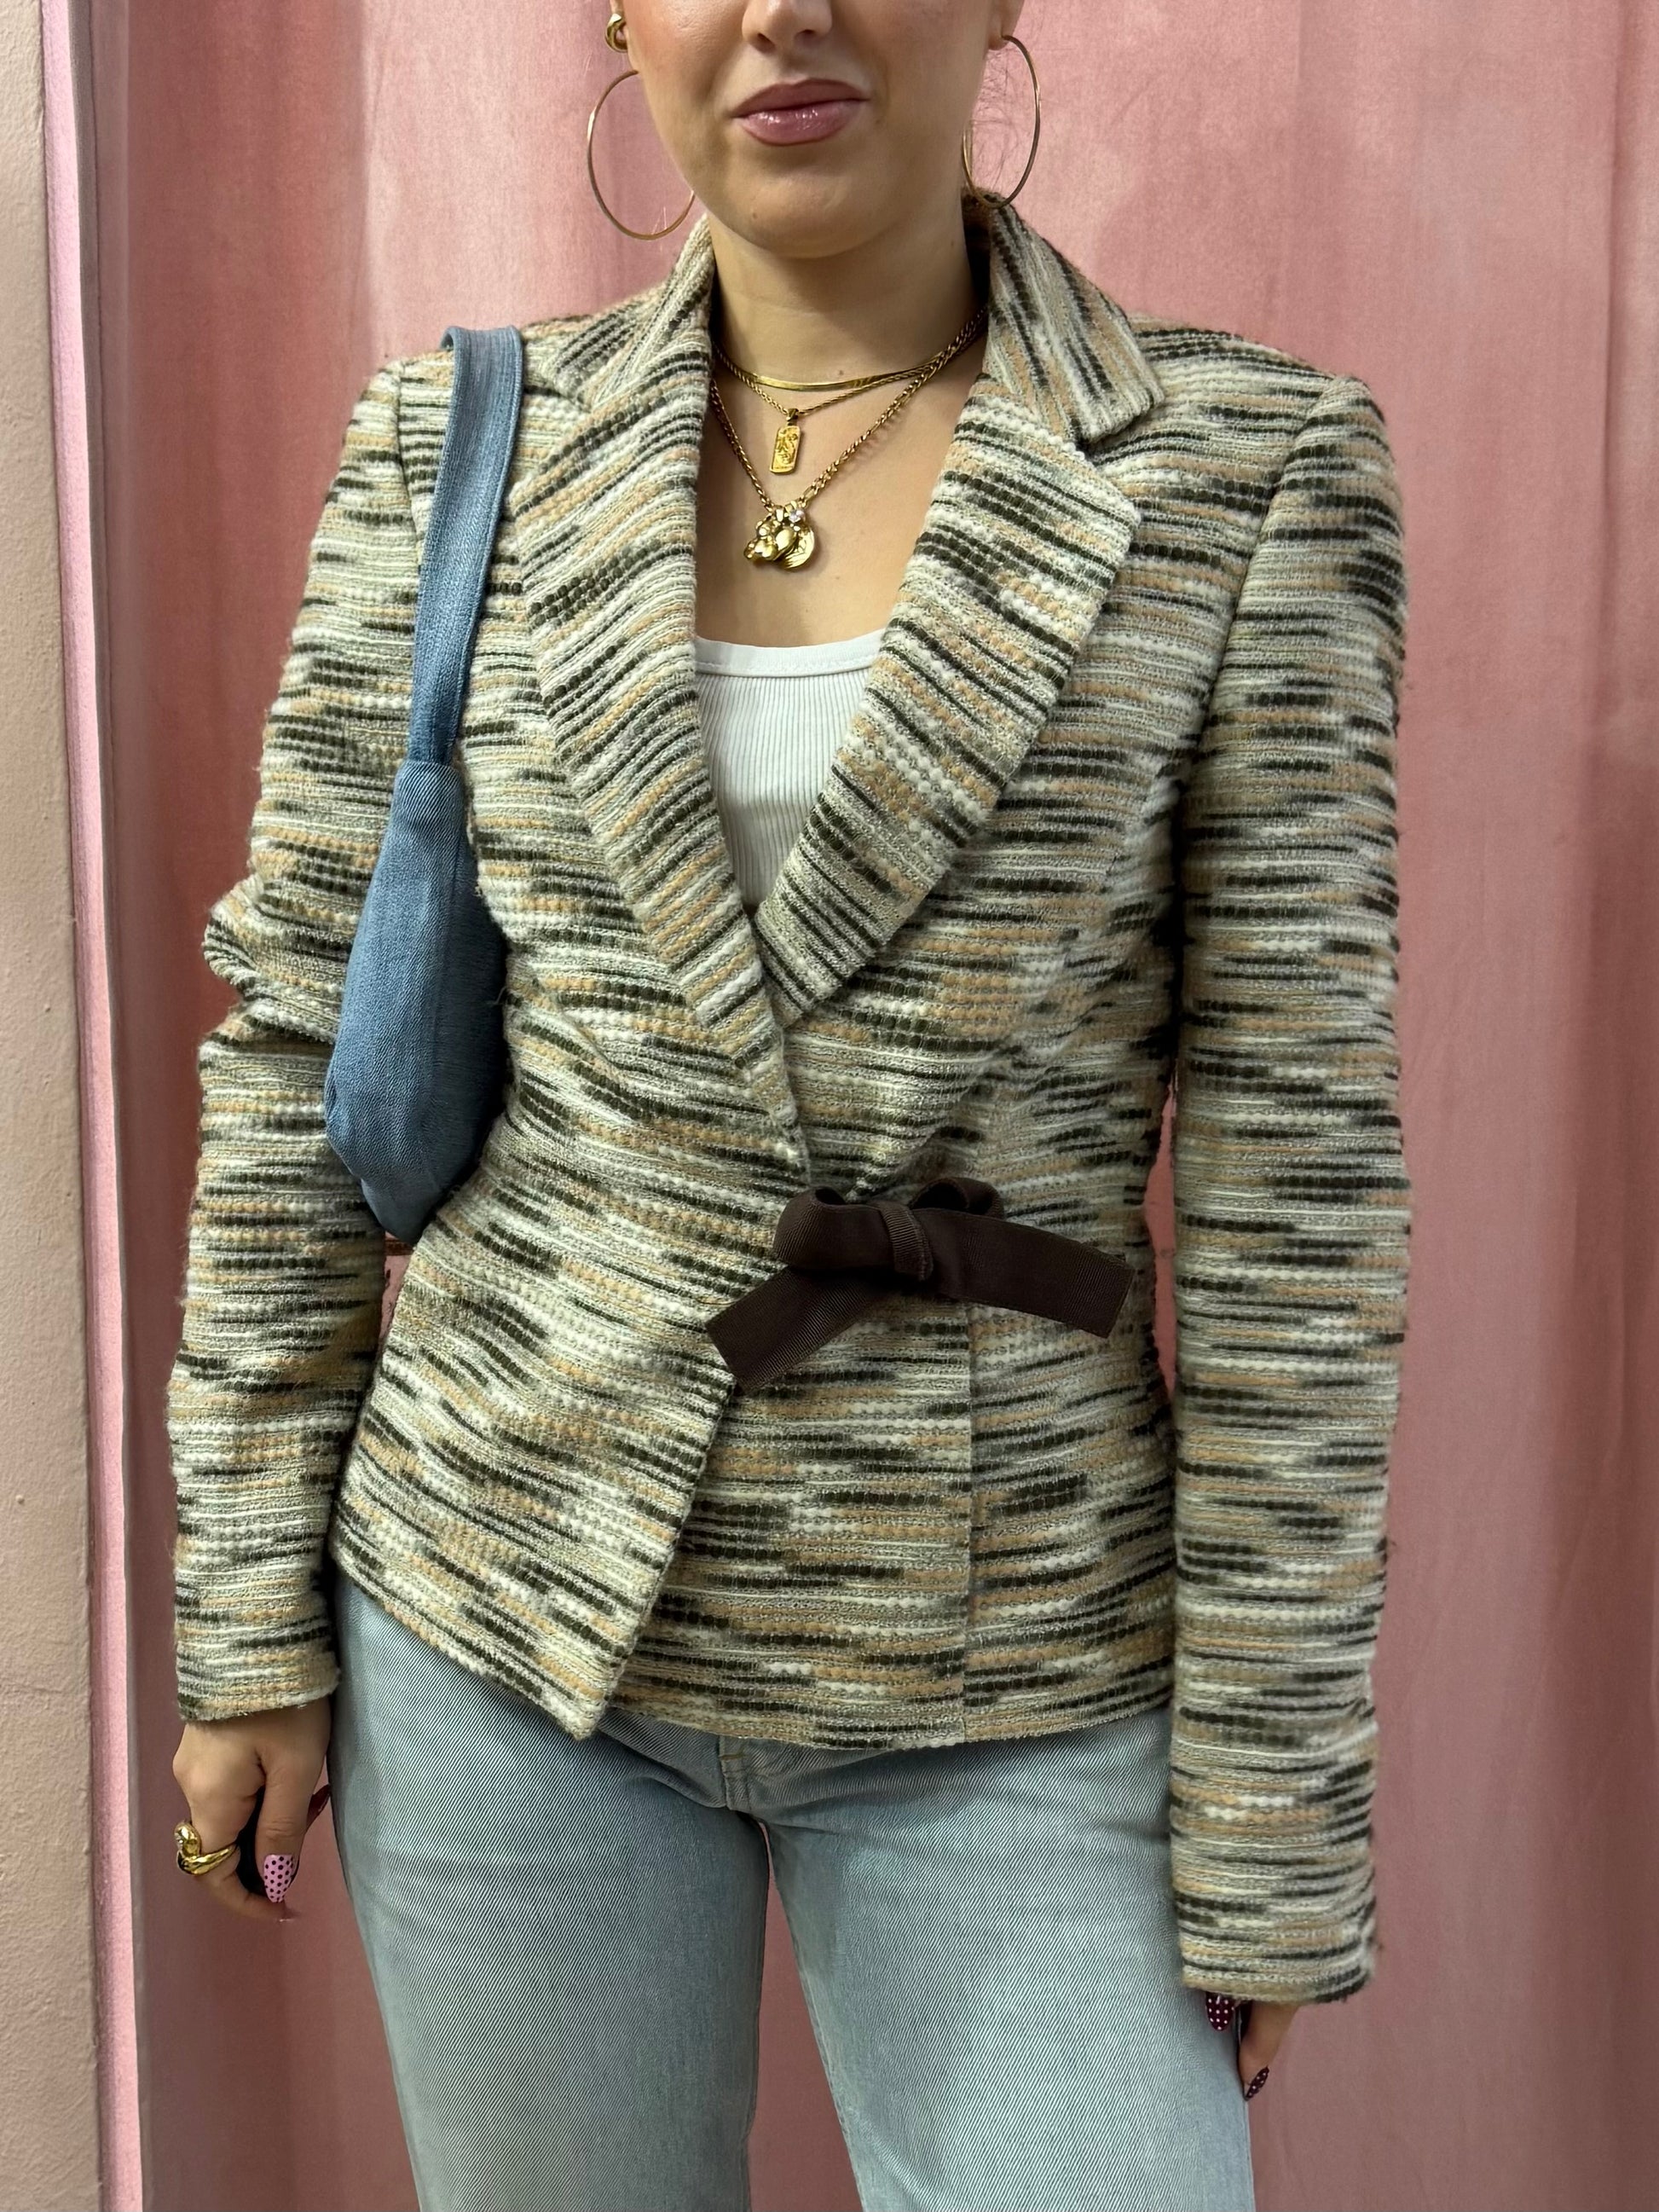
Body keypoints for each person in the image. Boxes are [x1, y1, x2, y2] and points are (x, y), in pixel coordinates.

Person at [165, 3, 1411, 2208]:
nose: (781, 9)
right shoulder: (461, 446)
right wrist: (250, 1610)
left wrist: (1271, 1803)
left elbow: (1295, 1182)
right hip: (505, 1594)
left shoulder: (1243, 469)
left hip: (1014, 1643)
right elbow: (294, 1050)